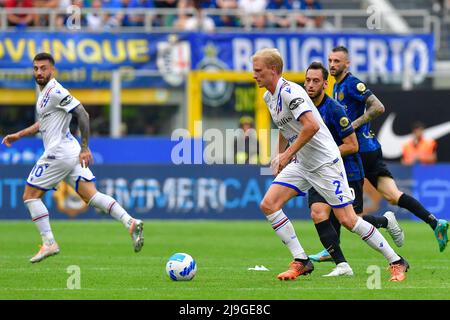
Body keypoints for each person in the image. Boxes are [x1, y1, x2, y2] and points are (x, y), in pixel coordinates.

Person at [253, 48, 409, 282]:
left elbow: (311, 126)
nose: (254, 75)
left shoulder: (290, 93)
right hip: (303, 162)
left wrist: (287, 155)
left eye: (258, 70)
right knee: (269, 204)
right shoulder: (269, 96)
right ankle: (301, 260)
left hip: (325, 163)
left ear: (273, 70)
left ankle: (396, 261)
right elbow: (284, 128)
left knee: (349, 220)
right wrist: (280, 156)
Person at [1, 53, 144, 263]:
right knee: (91, 196)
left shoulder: (56, 91)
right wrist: (19, 135)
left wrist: (85, 147)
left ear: (53, 70)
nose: (39, 72)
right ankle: (130, 221)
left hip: (58, 152)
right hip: (69, 151)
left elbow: (83, 114)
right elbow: (44, 124)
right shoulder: (45, 96)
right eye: (36, 68)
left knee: (30, 196)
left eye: (44, 68)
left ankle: (49, 242)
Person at [328, 45, 448, 252]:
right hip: (370, 149)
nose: (332, 64)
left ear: (347, 64)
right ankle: (435, 222)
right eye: (330, 60)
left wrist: (352, 125)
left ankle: (336, 248)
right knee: (394, 195)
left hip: (359, 152)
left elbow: (378, 107)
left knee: (345, 211)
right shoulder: (336, 87)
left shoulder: (352, 83)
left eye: (337, 61)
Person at [304, 62, 404, 265]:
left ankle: (386, 222)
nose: (310, 85)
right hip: (322, 170)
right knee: (319, 212)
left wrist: (324, 155)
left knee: (351, 220)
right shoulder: (303, 108)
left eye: (316, 81)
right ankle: (340, 263)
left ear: (325, 84)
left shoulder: (334, 109)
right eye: (307, 80)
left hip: (347, 169)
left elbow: (353, 145)